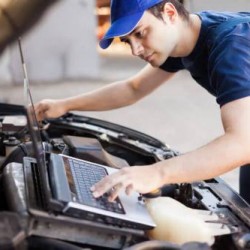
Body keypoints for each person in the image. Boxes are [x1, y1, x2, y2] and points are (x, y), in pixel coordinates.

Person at [35, 0, 250, 203]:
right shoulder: (187, 36)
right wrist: (64, 105)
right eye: (128, 41)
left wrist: (156, 173)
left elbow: (243, 143)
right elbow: (133, 88)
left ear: (170, 13)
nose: (136, 50)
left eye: (140, 33)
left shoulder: (231, 47)